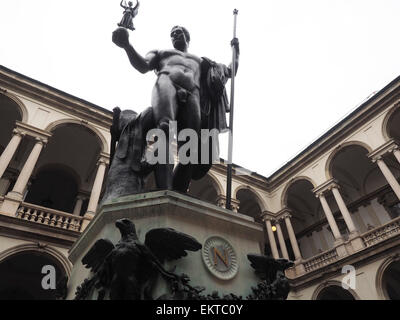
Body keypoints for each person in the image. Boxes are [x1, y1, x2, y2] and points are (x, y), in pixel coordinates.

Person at [112, 26, 239, 192]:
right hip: (167, 82)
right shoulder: (161, 52)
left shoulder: (201, 62)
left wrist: (236, 51)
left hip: (193, 92)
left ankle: (178, 192)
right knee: (164, 129)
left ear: (187, 36)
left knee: (191, 146)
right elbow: (143, 66)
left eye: (178, 31)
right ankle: (165, 190)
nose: (175, 34)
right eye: (172, 33)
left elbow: (229, 71)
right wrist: (127, 45)